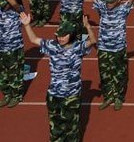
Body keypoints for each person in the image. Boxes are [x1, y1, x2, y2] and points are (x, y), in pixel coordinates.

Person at [20, 12, 96, 141]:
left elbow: (92, 40)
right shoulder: (52, 46)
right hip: (54, 94)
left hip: (71, 95)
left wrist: (87, 27)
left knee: (71, 129)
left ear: (70, 35)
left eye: (63, 35)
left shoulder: (78, 47)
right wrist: (27, 25)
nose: (60, 38)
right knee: (55, 127)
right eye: (58, 35)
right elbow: (34, 39)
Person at [75, 0, 134, 110]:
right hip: (104, 48)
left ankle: (118, 97)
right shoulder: (102, 7)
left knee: (120, 74)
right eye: (108, 1)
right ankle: (108, 96)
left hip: (118, 48)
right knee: (105, 74)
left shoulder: (123, 9)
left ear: (119, 0)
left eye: (112, 2)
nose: (109, 4)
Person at [0, 0, 24, 107]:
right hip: (1, 48)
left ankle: (16, 95)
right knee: (2, 75)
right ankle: (7, 94)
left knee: (15, 74)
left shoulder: (18, 12)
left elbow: (15, 4)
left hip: (15, 48)